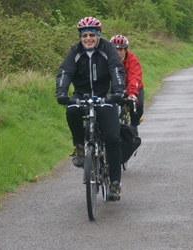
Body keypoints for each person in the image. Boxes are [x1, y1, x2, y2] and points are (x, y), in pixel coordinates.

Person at [55, 17, 126, 201]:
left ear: (98, 35)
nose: (88, 38)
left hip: (105, 96)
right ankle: (79, 145)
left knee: (112, 138)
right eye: (84, 35)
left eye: (92, 35)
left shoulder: (107, 49)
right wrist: (62, 92)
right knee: (71, 110)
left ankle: (115, 184)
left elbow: (116, 69)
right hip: (81, 95)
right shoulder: (75, 51)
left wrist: (118, 91)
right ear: (80, 36)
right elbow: (65, 71)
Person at [110, 35, 144, 136]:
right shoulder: (106, 59)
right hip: (114, 88)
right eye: (114, 50)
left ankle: (134, 125)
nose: (117, 52)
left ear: (125, 49)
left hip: (131, 87)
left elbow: (134, 77)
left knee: (138, 104)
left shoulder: (132, 59)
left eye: (120, 50)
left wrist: (132, 93)